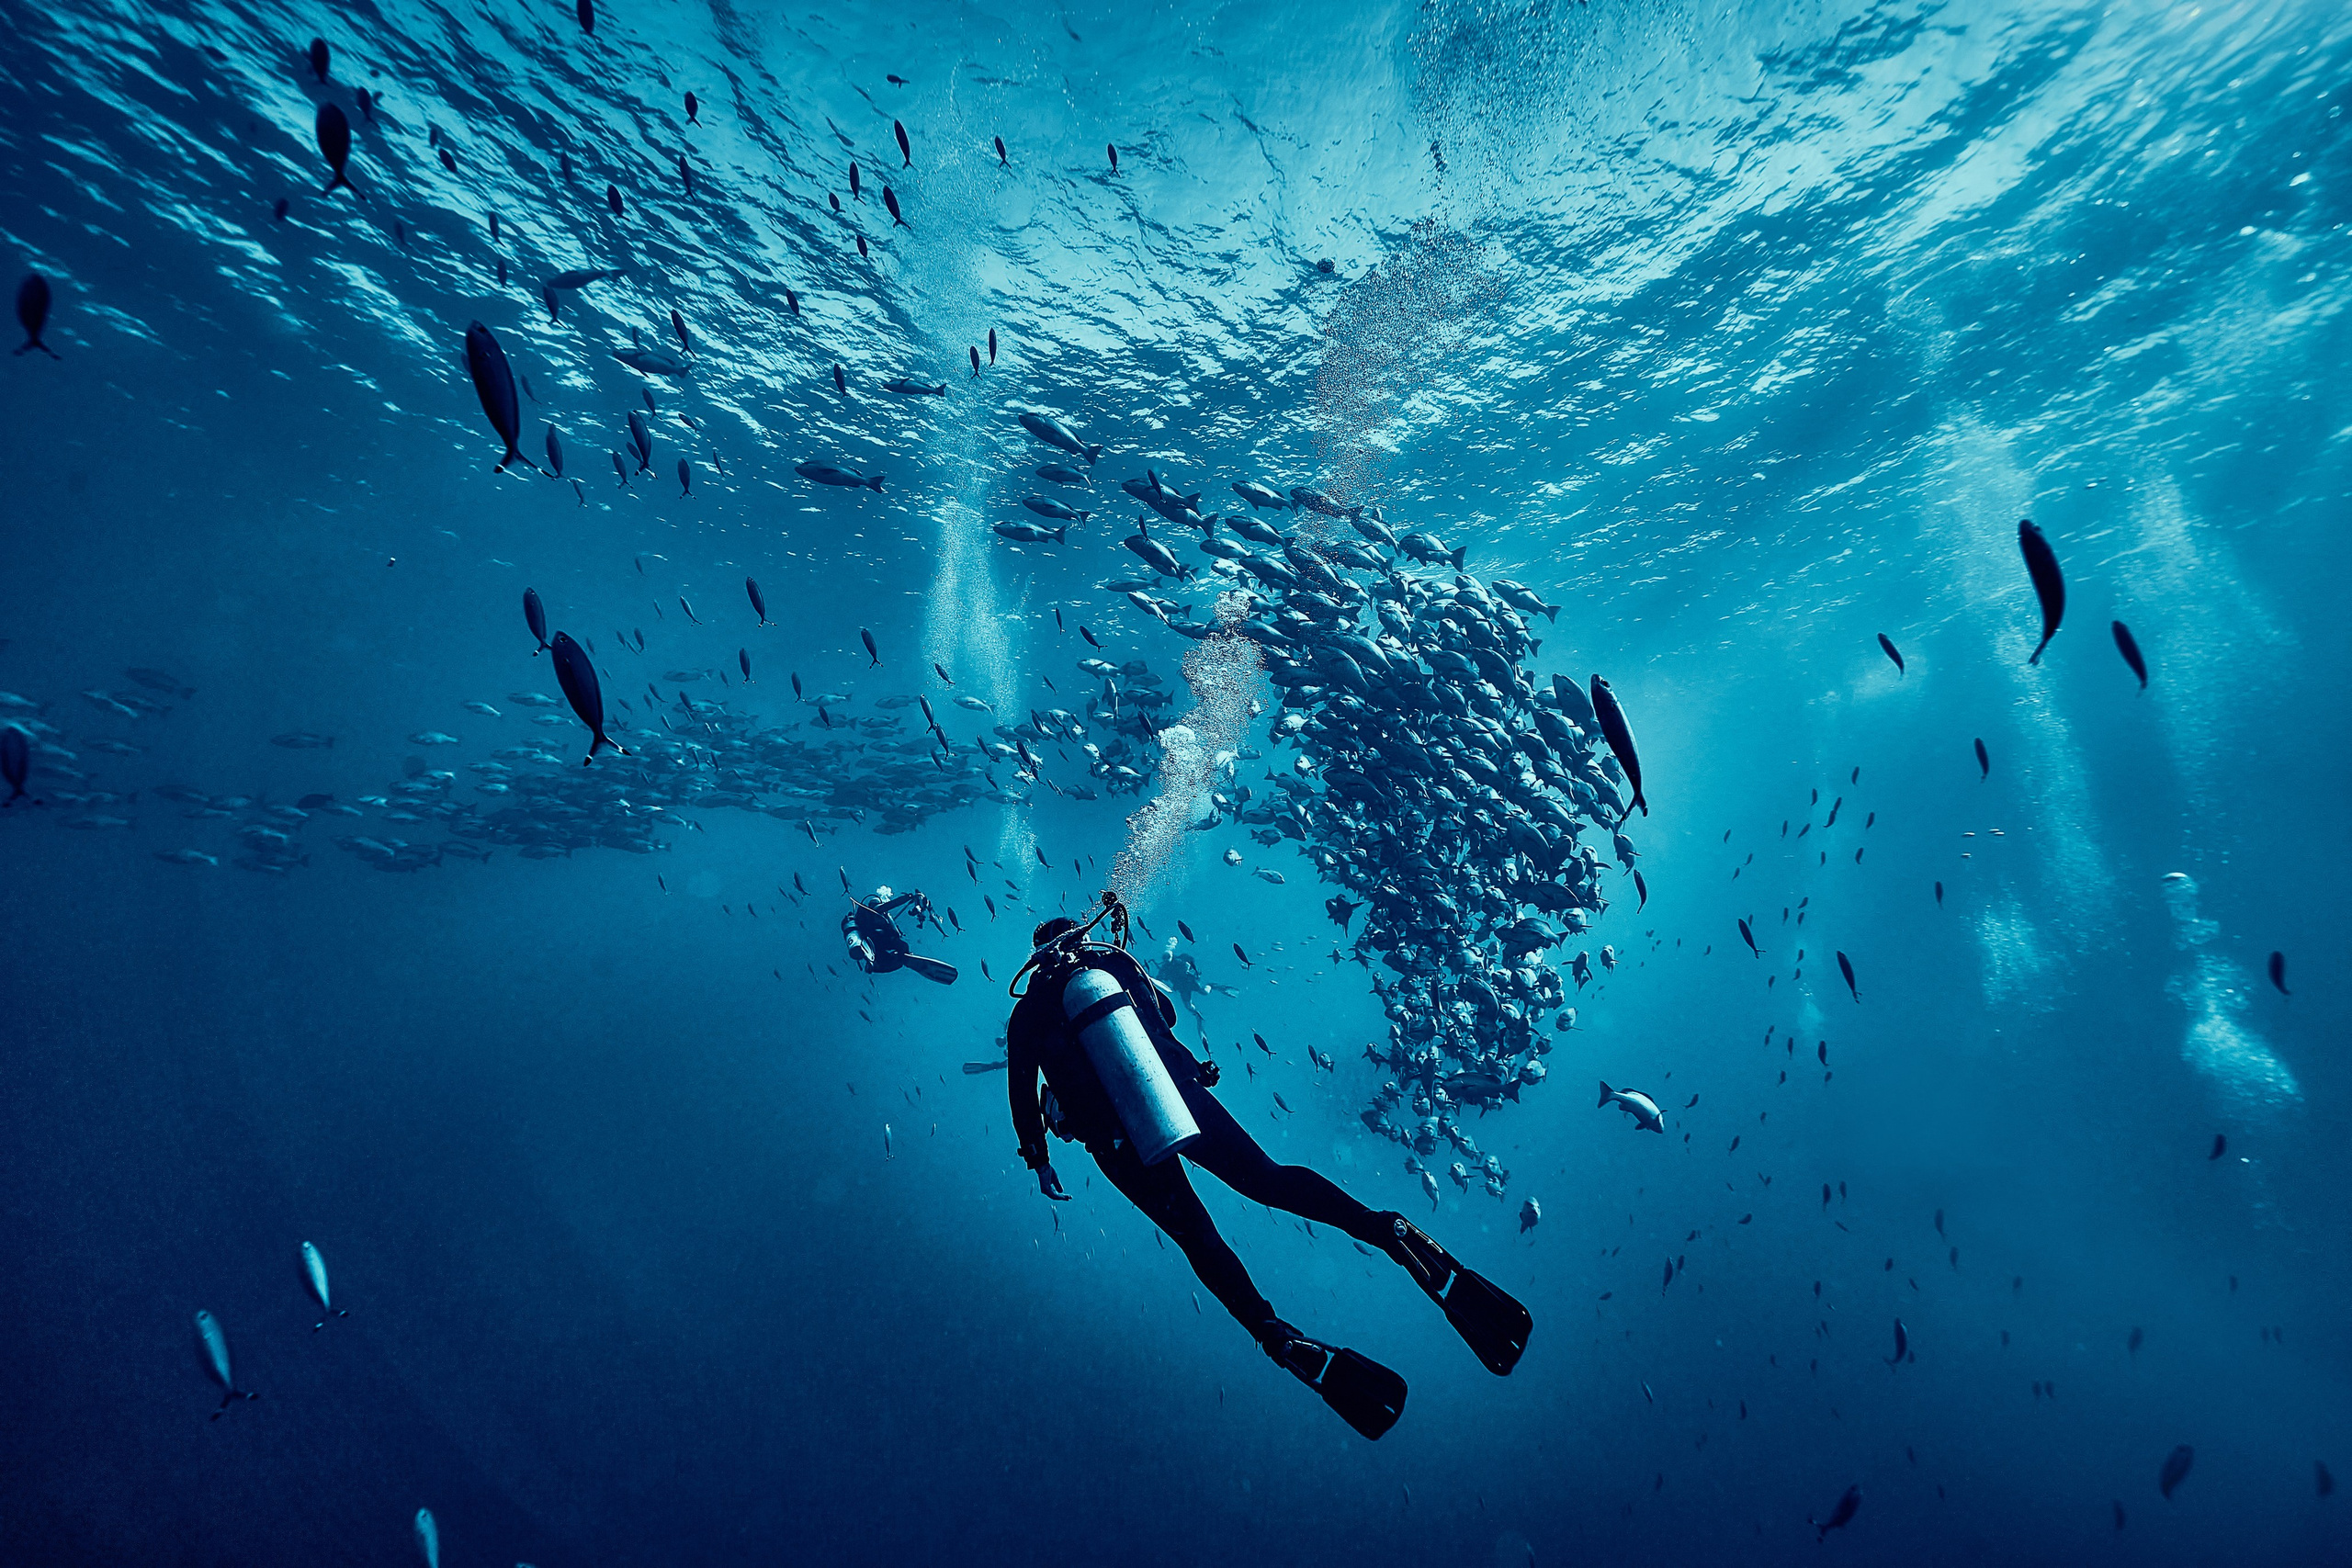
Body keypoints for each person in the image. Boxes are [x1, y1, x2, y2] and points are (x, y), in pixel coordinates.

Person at [1004, 894, 1531, 1439]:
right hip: (1177, 1095)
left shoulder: (1029, 1011)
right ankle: (1385, 1230)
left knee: (1197, 1237)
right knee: (1268, 1179)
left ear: (1037, 958)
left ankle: (1273, 1332)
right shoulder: (1112, 963)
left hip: (1115, 1143)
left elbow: (1021, 1089)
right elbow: (1165, 1018)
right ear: (1079, 935)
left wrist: (1039, 1160)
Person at [842, 887, 957, 985]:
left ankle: (876, 964)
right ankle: (889, 960)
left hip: (875, 944)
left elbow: (894, 932)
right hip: (877, 938)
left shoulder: (876, 917)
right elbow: (892, 905)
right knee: (902, 948)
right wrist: (907, 897)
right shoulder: (874, 910)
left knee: (891, 958)